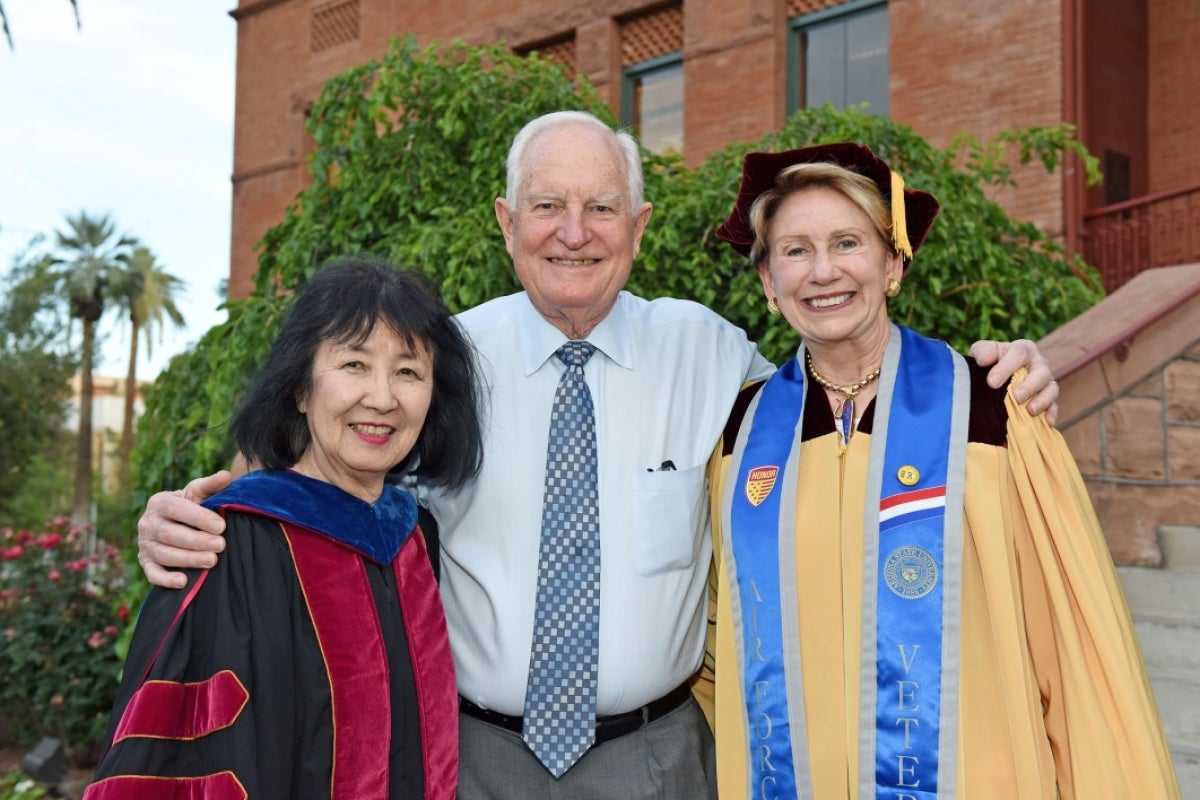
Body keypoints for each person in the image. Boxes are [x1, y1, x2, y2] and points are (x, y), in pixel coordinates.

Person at [132, 112, 1060, 799]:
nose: (573, 232)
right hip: (475, 757)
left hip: (658, 759)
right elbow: (325, 470)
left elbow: (850, 384)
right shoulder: (438, 361)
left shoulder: (711, 355)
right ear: (506, 222)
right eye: (547, 206)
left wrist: (998, 372)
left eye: (600, 208)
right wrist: (188, 513)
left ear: (639, 226)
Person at [701, 143, 1180, 798]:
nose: (822, 271)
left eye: (848, 243)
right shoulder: (738, 437)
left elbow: (1074, 652)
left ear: (893, 263)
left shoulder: (991, 412)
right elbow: (714, 644)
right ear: (767, 281)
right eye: (794, 250)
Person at [85, 258, 483, 800]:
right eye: (354, 364)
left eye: (408, 372)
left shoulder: (418, 541)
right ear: (300, 389)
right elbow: (188, 762)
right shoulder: (228, 544)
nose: (383, 398)